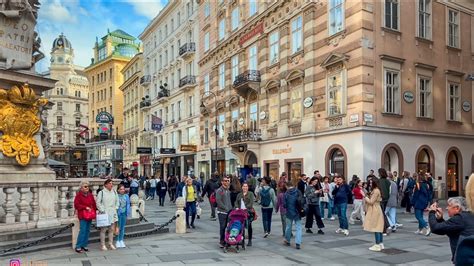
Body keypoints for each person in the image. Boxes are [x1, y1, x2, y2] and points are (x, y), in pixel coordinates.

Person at [428, 197, 474, 263]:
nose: (446, 208)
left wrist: (432, 212)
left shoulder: (460, 218)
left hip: (465, 259)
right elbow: (448, 229)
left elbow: (435, 228)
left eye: (449, 205)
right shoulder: (468, 216)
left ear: (457, 208)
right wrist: (440, 219)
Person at [74, 180, 97, 253]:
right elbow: (76, 205)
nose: (87, 188)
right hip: (82, 215)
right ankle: (78, 246)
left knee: (87, 230)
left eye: (88, 186)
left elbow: (93, 203)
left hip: (89, 215)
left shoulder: (90, 195)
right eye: (85, 186)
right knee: (83, 230)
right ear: (81, 188)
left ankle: (84, 245)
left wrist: (96, 211)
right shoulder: (78, 195)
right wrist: (85, 207)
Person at [97, 179, 119, 251]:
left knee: (111, 229)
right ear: (105, 185)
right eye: (109, 183)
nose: (111, 185)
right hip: (104, 213)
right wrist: (102, 210)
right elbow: (98, 203)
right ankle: (102, 245)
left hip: (112, 212)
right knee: (103, 229)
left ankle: (110, 243)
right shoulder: (101, 192)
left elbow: (117, 201)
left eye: (112, 183)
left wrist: (115, 208)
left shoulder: (114, 192)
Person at [364, 178, 385, 252]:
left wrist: (365, 197)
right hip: (377, 208)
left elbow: (371, 201)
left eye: (371, 183)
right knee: (379, 227)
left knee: (376, 227)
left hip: (375, 209)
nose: (369, 184)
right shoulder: (376, 190)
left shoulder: (376, 191)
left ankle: (377, 244)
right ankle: (380, 243)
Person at [283, 182, 304, 250]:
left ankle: (287, 240)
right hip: (297, 212)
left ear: (287, 186)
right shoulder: (298, 191)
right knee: (298, 228)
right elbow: (302, 201)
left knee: (288, 227)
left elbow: (284, 205)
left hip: (289, 213)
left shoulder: (286, 193)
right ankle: (298, 243)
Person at [216, 175, 232, 248]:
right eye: (225, 181)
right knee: (222, 227)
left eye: (228, 181)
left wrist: (231, 208)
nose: (227, 182)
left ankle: (227, 240)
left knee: (228, 227)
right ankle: (222, 241)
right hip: (222, 212)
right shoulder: (219, 190)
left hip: (229, 212)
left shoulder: (228, 190)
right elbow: (218, 201)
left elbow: (229, 201)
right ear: (222, 182)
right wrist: (225, 208)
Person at [115, 184, 130, 248]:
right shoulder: (116, 196)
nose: (122, 190)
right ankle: (117, 240)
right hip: (118, 214)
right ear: (118, 190)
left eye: (123, 189)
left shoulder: (126, 196)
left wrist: (127, 212)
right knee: (118, 227)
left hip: (124, 213)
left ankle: (121, 240)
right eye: (121, 189)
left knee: (123, 227)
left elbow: (128, 204)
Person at [377, 168, 391, 234]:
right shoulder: (387, 181)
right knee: (383, 213)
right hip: (386, 198)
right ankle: (386, 227)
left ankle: (386, 227)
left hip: (381, 199)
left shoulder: (379, 181)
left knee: (382, 214)